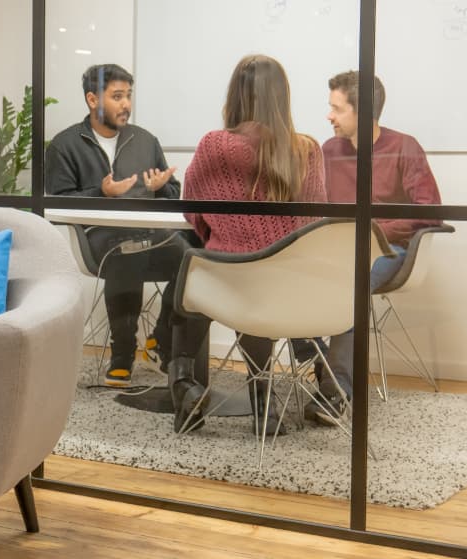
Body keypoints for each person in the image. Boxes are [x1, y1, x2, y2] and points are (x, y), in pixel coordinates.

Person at [166, 54, 327, 435]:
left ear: (235, 96)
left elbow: (194, 209)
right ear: (282, 96)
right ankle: (264, 407)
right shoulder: (307, 149)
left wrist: (224, 237)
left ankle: (185, 382)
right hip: (291, 285)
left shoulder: (214, 144)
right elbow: (315, 221)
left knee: (192, 276)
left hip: (231, 280)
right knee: (250, 282)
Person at [313, 71, 444, 424]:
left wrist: (373, 233)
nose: (329, 116)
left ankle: (334, 392)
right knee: (293, 274)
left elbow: (429, 211)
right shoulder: (329, 150)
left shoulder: (404, 147)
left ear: (364, 112)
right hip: (336, 249)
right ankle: (315, 357)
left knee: (350, 286)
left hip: (387, 251)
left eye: (337, 109)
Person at [45, 63, 186, 387]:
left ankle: (161, 338)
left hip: (151, 237)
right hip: (99, 241)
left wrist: (160, 188)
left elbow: (173, 192)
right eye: (117, 96)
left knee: (194, 258)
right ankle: (122, 354)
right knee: (128, 250)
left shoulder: (145, 140)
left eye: (128, 96)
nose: (126, 104)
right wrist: (102, 193)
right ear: (92, 99)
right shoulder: (66, 145)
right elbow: (58, 203)